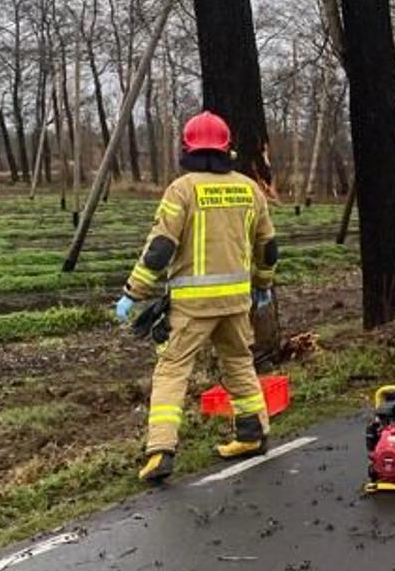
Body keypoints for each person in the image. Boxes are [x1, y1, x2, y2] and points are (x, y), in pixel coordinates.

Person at [117, 111, 279, 484]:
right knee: (239, 364)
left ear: (187, 147)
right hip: (237, 303)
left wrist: (133, 293)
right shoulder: (249, 188)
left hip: (192, 306)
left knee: (172, 371)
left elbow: (159, 249)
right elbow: (268, 247)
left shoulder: (183, 189)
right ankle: (253, 434)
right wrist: (263, 284)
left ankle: (160, 451)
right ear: (228, 148)